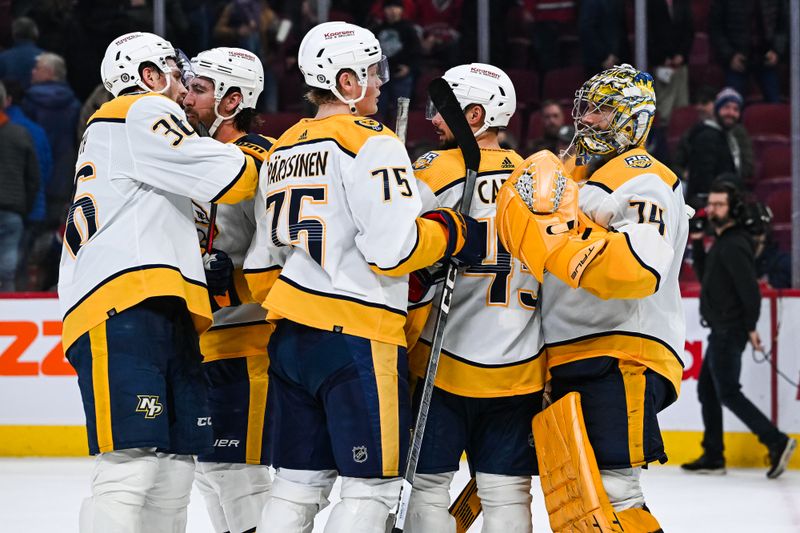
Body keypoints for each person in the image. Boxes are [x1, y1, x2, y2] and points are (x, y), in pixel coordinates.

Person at [243, 21, 485, 533]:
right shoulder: (371, 141)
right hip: (357, 339)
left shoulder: (283, 145)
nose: (381, 82)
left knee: (294, 487)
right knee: (370, 489)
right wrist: (451, 231)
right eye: (374, 72)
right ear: (347, 82)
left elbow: (261, 263)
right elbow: (394, 251)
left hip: (290, 337)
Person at [60, 31, 262, 533]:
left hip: (162, 306)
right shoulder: (140, 111)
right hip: (124, 303)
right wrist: (272, 156)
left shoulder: (130, 132)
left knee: (174, 470)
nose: (184, 84)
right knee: (132, 466)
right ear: (148, 76)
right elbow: (234, 176)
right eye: (175, 70)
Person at [496, 63, 690, 531]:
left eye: (602, 112)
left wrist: (555, 240)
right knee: (581, 503)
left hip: (618, 351)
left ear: (634, 119)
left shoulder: (643, 176)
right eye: (586, 110)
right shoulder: (577, 179)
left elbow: (636, 270)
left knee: (615, 495)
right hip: (574, 351)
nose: (587, 121)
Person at [403, 63, 545, 533]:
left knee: (426, 488)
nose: (434, 121)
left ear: (477, 114)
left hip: (443, 362)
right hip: (520, 366)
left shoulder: (434, 170)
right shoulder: (536, 179)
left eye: (444, 111)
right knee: (506, 494)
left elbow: (396, 250)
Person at [182, 46, 274, 533]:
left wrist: (232, 282)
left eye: (198, 89)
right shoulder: (189, 155)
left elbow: (285, 253)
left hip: (248, 342)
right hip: (201, 342)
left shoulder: (262, 160)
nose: (186, 97)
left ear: (233, 99)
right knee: (208, 472)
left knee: (240, 475)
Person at [682, 180, 797, 478]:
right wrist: (696, 241)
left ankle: (776, 441)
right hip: (720, 329)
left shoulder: (734, 244)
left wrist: (750, 327)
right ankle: (713, 454)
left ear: (732, 208)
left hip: (729, 330)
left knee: (728, 392)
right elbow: (707, 276)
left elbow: (750, 291)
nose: (713, 210)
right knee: (708, 390)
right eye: (712, 204)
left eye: (720, 204)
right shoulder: (723, 241)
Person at [22, 51, 80, 224]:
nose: (32, 72)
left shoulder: (28, 102)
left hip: (34, 173)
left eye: (37, 68)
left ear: (50, 72)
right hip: (64, 173)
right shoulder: (74, 104)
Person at [0, 80, 40, 292]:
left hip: (13, 209)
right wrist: (25, 205)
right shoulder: (20, 134)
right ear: (5, 102)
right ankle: (7, 316)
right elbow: (34, 178)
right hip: (13, 210)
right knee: (8, 270)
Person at [709, 0, 789, 103]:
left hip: (766, 57)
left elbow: (783, 25)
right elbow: (715, 29)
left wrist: (777, 51)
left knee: (774, 105)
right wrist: (729, 56)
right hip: (737, 59)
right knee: (732, 105)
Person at [685, 87, 753, 208]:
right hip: (710, 206)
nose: (731, 113)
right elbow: (704, 181)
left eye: (735, 109)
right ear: (717, 109)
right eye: (726, 107)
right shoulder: (707, 136)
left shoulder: (729, 136)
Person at [647, 0, 693, 126]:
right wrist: (663, 58)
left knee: (681, 104)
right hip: (662, 65)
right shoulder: (651, 4)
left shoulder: (682, 3)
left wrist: (681, 55)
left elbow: (689, 31)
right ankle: (663, 140)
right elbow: (649, 34)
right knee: (665, 108)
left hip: (680, 64)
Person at [372, 0, 421, 119]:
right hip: (381, 76)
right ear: (384, 10)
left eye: (396, 7)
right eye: (389, 7)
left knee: (401, 113)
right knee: (378, 110)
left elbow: (416, 52)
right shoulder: (377, 29)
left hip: (401, 75)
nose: (393, 11)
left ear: (402, 10)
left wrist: (408, 68)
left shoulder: (409, 29)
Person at [0, 17, 43, 89]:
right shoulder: (47, 58)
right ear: (35, 33)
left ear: (14, 34)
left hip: (11, 99)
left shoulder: (3, 58)